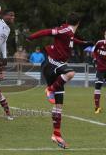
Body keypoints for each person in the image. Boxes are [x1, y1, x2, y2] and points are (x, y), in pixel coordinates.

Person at [27, 12, 93, 149]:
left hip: (57, 66)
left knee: (58, 106)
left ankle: (56, 134)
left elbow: (71, 39)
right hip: (52, 62)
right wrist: (31, 37)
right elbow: (48, 31)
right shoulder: (65, 30)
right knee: (71, 73)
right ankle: (50, 89)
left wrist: (84, 43)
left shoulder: (69, 33)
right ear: (78, 23)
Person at [93, 30, 106, 114]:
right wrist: (94, 59)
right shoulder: (100, 43)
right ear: (104, 35)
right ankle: (97, 107)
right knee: (98, 86)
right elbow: (94, 51)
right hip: (100, 69)